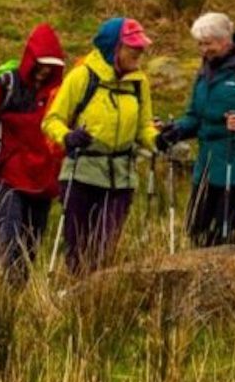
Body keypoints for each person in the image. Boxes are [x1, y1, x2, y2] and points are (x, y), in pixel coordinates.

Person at [42, 17, 157, 274]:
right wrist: (68, 137)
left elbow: (144, 127)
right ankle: (77, 302)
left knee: (104, 250)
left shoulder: (139, 83)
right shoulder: (82, 76)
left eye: (140, 47)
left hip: (121, 179)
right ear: (113, 48)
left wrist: (158, 139)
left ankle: (98, 304)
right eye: (132, 47)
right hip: (82, 174)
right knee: (78, 250)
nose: (139, 52)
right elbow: (52, 120)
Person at [156, 12, 235, 247]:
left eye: (208, 43)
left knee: (222, 231)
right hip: (207, 166)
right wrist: (175, 130)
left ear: (225, 40)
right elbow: (196, 117)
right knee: (194, 228)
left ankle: (229, 278)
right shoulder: (204, 72)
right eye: (200, 44)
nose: (203, 50)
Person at [0, 24, 65, 286]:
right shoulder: (6, 85)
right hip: (8, 176)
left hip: (42, 183)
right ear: (30, 59)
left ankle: (14, 298)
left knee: (30, 250)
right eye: (41, 65)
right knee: (9, 241)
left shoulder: (58, 94)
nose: (44, 72)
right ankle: (3, 296)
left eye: (50, 67)